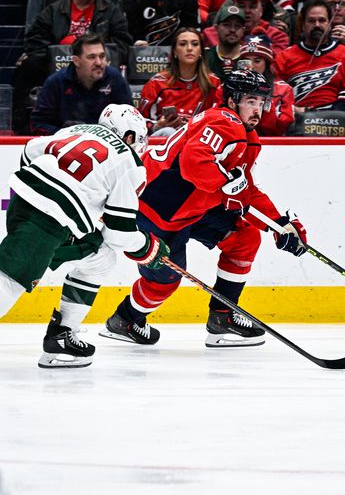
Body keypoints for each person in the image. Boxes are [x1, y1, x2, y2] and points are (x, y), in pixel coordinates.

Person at [100, 69, 308, 347]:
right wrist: (225, 184)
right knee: (164, 282)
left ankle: (223, 317)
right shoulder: (224, 122)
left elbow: (244, 190)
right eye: (250, 101)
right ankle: (124, 320)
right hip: (153, 210)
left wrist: (278, 224)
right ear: (232, 101)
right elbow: (193, 164)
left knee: (244, 237)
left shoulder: (248, 137)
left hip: (192, 209)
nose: (257, 109)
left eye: (261, 102)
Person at [0, 104, 170, 368]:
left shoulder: (76, 130)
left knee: (100, 257)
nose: (139, 145)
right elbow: (119, 234)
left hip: (27, 206)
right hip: (48, 219)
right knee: (9, 281)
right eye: (138, 139)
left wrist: (44, 193)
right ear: (128, 136)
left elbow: (30, 148)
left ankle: (62, 335)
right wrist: (148, 247)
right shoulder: (130, 162)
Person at [14, 0, 131, 135]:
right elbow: (34, 39)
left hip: (97, 61)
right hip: (55, 63)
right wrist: (54, 55)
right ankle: (21, 128)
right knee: (27, 65)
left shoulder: (111, 11)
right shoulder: (54, 10)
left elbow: (123, 42)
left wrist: (97, 55)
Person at [30, 34, 133, 135]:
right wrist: (65, 134)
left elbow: (129, 120)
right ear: (76, 61)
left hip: (105, 142)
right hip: (65, 143)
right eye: (91, 57)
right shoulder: (56, 82)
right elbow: (38, 123)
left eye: (102, 56)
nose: (99, 62)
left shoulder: (115, 79)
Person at [274, 0, 345, 112]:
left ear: (330, 24)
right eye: (311, 21)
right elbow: (276, 99)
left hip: (336, 119)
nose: (317, 25)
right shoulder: (284, 57)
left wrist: (313, 113)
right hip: (296, 120)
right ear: (303, 25)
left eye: (322, 20)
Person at [139, 28, 220, 135]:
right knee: (168, 131)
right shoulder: (156, 83)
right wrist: (157, 126)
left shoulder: (213, 83)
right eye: (183, 44)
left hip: (199, 139)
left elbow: (220, 120)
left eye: (195, 44)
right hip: (163, 140)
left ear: (201, 51)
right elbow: (139, 123)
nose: (189, 48)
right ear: (174, 51)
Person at [235, 33, 295, 136]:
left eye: (257, 61)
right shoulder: (225, 88)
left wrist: (263, 97)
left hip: (271, 142)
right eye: (246, 61)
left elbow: (282, 127)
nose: (251, 66)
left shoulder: (283, 90)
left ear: (266, 63)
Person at [203, 0, 289, 50]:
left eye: (252, 7)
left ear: (261, 10)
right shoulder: (212, 33)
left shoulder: (277, 36)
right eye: (242, 6)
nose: (247, 11)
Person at [204, 4, 246, 80]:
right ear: (216, 28)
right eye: (227, 25)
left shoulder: (248, 58)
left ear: (243, 30)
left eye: (237, 26)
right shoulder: (205, 57)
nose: (232, 30)